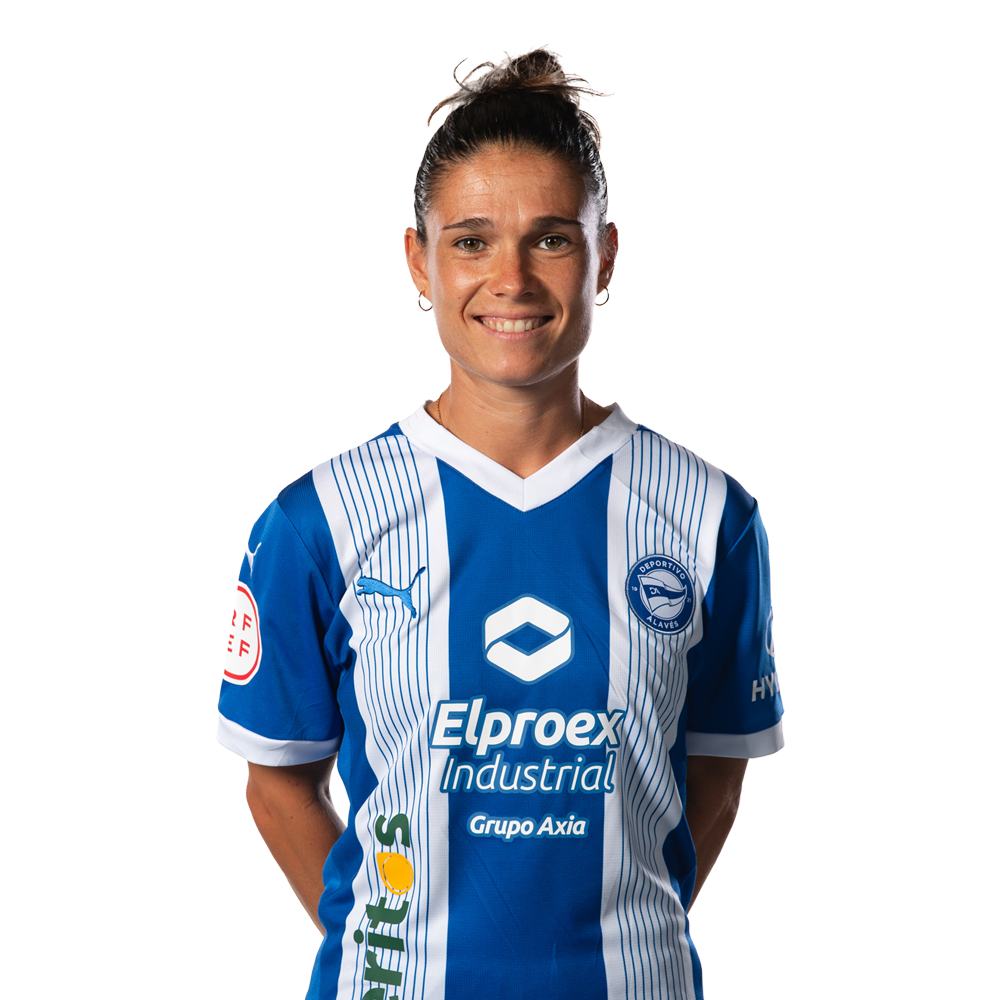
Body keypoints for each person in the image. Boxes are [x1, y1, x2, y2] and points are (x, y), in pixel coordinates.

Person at [218, 46, 784, 1000]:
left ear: (605, 256)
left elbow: (716, 776)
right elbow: (278, 785)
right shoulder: (319, 521)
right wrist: (390, 941)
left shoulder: (707, 517)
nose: (511, 278)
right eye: (472, 241)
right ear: (419, 261)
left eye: (551, 239)